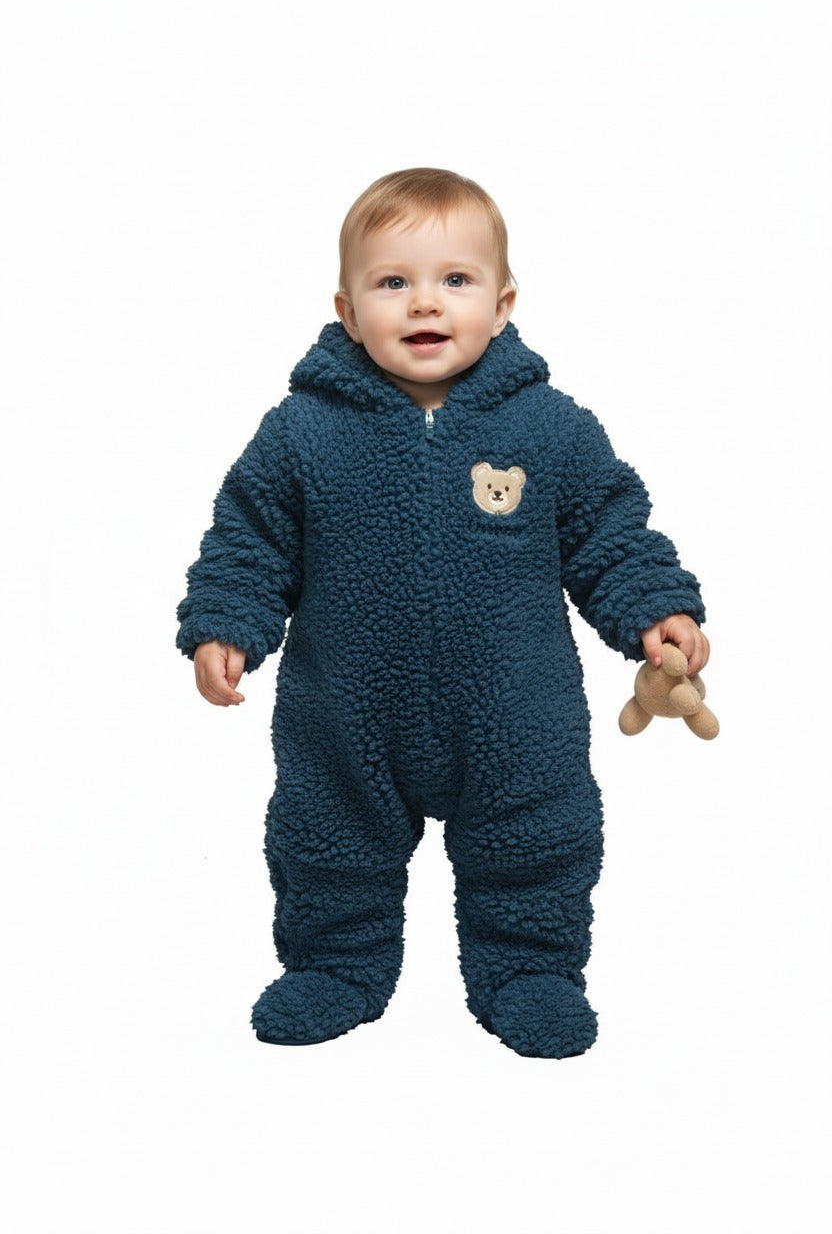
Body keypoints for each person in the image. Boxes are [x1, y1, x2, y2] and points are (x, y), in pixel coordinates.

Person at [176, 168, 710, 1058]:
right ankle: (335, 965)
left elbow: (610, 530)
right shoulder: (301, 432)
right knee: (326, 841)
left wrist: (654, 609)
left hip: (516, 710)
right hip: (345, 713)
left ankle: (530, 969)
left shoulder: (550, 429)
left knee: (536, 841)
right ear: (348, 312)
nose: (425, 302)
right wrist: (226, 621)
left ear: (501, 306)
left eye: (455, 279)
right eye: (393, 282)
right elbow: (249, 537)